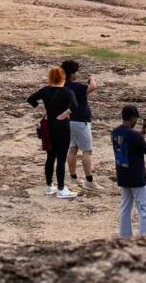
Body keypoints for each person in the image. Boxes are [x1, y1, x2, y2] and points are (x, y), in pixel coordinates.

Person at [27, 66, 78, 197]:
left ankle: (49, 186)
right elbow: (74, 106)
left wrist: (43, 109)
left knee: (50, 157)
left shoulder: (45, 90)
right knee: (61, 158)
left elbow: (30, 99)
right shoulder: (67, 92)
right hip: (62, 126)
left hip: (49, 125)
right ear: (63, 78)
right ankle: (61, 188)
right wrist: (64, 114)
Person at [112, 103, 146, 238]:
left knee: (125, 207)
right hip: (137, 177)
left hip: (123, 174)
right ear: (133, 118)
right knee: (144, 207)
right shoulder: (135, 135)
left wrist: (141, 134)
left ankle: (124, 236)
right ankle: (144, 236)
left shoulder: (115, 132)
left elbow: (129, 144)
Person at [62, 59, 96, 189]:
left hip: (69, 121)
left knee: (72, 149)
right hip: (81, 121)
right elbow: (92, 87)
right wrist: (92, 79)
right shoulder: (76, 86)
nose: (77, 74)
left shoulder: (63, 86)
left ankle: (73, 178)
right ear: (71, 74)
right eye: (76, 72)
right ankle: (89, 180)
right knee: (87, 151)